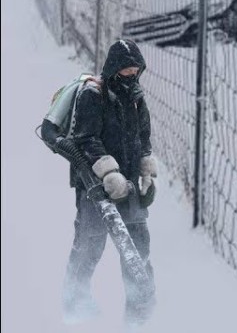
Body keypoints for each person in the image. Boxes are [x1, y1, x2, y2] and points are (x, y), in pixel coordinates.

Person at [60, 39, 158, 325]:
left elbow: (144, 138)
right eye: (125, 70)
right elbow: (85, 139)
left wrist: (146, 174)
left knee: (139, 247)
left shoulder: (137, 97)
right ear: (113, 69)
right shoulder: (93, 95)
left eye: (135, 70)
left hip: (129, 184)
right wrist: (108, 173)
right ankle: (74, 304)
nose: (130, 75)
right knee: (90, 244)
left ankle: (141, 317)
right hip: (94, 186)